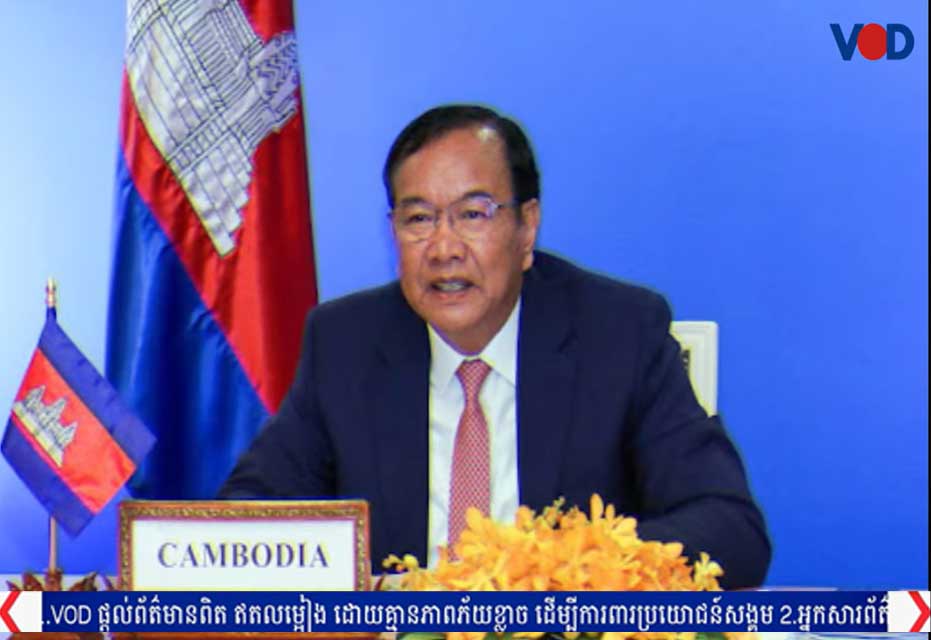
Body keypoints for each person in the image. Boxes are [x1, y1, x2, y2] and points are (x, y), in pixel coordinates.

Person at [220, 104, 771, 588]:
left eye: (473, 214)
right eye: (418, 219)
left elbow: (729, 528)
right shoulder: (347, 342)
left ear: (527, 229)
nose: (444, 248)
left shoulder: (619, 333)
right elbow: (245, 522)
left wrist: (554, 576)